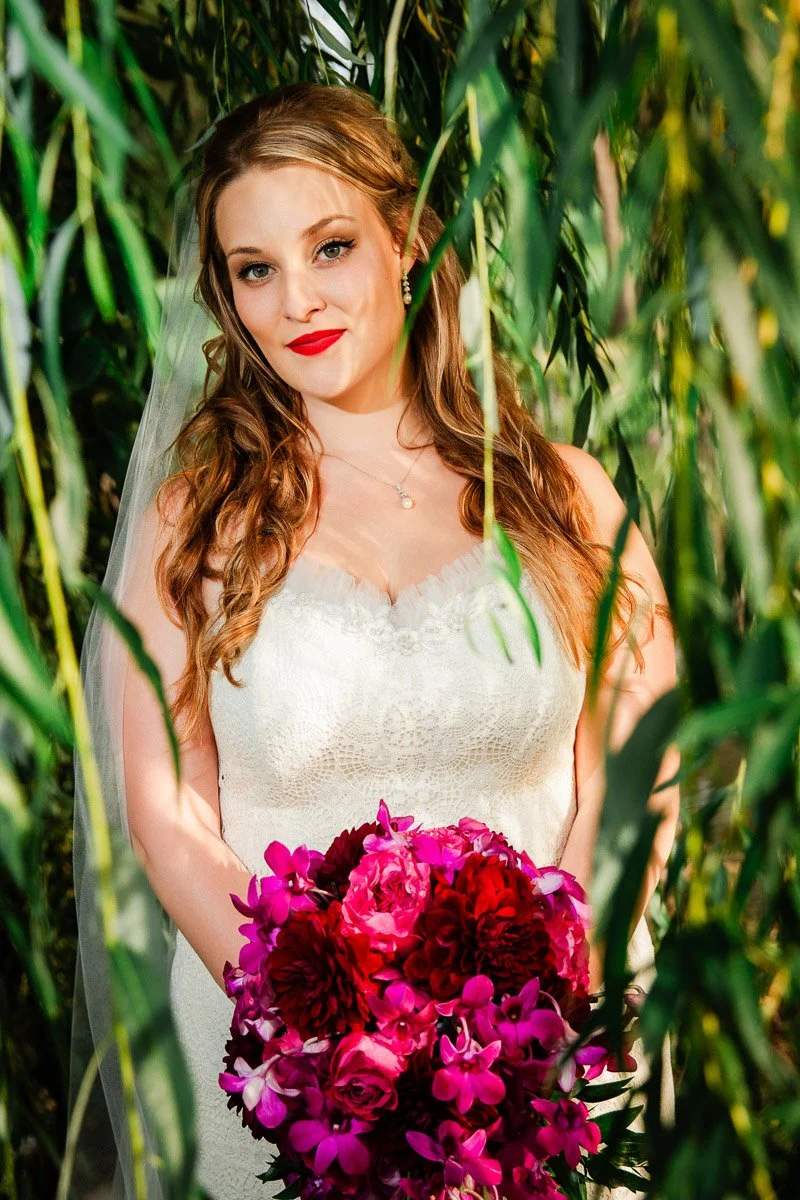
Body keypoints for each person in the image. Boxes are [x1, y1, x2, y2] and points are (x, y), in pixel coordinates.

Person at [69, 82, 679, 1200]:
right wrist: (305, 1034)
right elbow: (167, 807)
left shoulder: (567, 500)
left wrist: (549, 1011)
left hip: (543, 1077)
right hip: (288, 1092)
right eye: (254, 269)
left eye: (331, 245)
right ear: (227, 297)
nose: (295, 297)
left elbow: (635, 768)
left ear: (405, 240)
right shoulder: (193, 524)